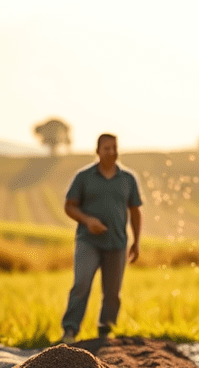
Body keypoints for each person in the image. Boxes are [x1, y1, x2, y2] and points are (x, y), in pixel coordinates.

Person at [60, 133, 142, 342]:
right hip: (89, 242)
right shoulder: (84, 177)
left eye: (114, 148)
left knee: (113, 292)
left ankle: (105, 332)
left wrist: (136, 242)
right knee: (82, 284)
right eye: (107, 148)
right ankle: (70, 332)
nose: (112, 152)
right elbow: (69, 206)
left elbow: (135, 211)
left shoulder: (127, 179)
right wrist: (87, 221)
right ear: (97, 151)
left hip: (117, 243)